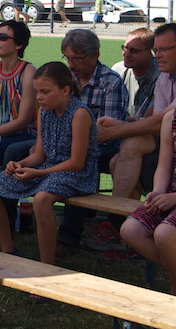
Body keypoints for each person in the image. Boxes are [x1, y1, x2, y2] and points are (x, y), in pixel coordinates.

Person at [0, 62, 98, 265]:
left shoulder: (79, 113)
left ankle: (46, 266)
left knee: (41, 199)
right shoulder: (44, 111)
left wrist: (38, 173)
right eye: (36, 92)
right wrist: (19, 164)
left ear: (65, 90)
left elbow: (76, 163)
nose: (39, 97)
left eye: (45, 92)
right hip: (49, 169)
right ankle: (9, 249)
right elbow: (40, 155)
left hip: (78, 175)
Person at [91, 23, 176, 262]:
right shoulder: (165, 78)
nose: (158, 55)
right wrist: (121, 127)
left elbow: (162, 122)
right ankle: (131, 235)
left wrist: (116, 130)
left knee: (127, 150)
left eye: (164, 49)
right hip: (169, 145)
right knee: (118, 160)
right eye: (156, 50)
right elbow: (160, 123)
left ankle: (116, 226)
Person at [53, 29, 129, 257]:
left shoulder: (110, 82)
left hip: (105, 148)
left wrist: (70, 138)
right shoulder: (66, 79)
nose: (72, 64)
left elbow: (106, 132)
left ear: (95, 54)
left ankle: (68, 238)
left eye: (78, 58)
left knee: (79, 162)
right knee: (16, 151)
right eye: (68, 58)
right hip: (68, 143)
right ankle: (4, 224)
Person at [120, 102, 176, 296]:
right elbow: (164, 166)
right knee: (130, 230)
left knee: (164, 235)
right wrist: (157, 192)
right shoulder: (172, 118)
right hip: (172, 193)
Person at [0, 21, 37, 167]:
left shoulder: (28, 72)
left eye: (3, 37)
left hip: (23, 135)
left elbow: (23, 120)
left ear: (18, 44)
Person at [112, 27, 160, 122]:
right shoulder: (118, 71)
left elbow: (149, 121)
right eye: (125, 48)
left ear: (150, 52)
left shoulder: (161, 76)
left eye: (134, 50)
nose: (126, 54)